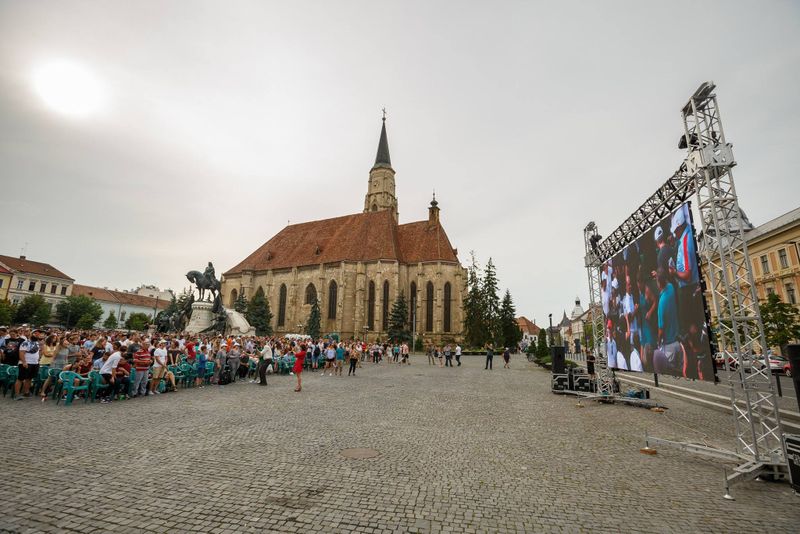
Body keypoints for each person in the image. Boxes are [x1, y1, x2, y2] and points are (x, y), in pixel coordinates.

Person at [16, 329, 42, 399]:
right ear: (31, 334)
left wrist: (38, 360)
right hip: (26, 363)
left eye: (39, 334)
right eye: (35, 333)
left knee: (29, 378)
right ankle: (17, 394)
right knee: (20, 379)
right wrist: (24, 362)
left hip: (35, 363)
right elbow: (21, 353)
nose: (37, 335)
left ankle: (26, 392)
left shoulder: (37, 342)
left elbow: (38, 352)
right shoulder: (25, 342)